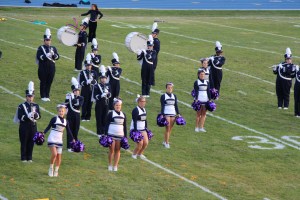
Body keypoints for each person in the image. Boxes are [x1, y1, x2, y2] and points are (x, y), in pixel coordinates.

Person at [43, 104, 75, 177]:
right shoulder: (54, 119)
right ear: (58, 112)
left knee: (59, 157)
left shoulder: (66, 121)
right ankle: (51, 168)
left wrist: (73, 139)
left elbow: (69, 131)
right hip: (52, 138)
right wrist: (43, 133)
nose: (61, 112)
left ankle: (56, 170)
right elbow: (48, 127)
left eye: (62, 111)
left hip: (59, 139)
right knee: (54, 154)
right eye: (60, 111)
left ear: (65, 112)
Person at [16, 81, 41, 162]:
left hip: (33, 126)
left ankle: (29, 157)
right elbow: (20, 117)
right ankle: (23, 157)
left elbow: (39, 116)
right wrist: (28, 116)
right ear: (26, 97)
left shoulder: (36, 105)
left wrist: (36, 115)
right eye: (29, 96)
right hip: (24, 126)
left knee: (31, 142)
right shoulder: (21, 106)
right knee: (24, 142)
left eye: (31, 96)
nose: (30, 98)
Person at [36, 28, 59, 101]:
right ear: (44, 40)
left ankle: (47, 95)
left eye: (49, 40)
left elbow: (58, 56)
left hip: (51, 68)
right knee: (43, 81)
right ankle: (43, 96)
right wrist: (46, 55)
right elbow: (39, 57)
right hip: (43, 67)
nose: (48, 41)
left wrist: (54, 55)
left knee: (49, 81)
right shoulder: (41, 48)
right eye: (46, 40)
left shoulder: (53, 48)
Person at [104, 98, 127, 172]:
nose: (118, 106)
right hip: (111, 135)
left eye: (119, 105)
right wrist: (106, 135)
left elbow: (125, 126)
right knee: (111, 150)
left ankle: (115, 165)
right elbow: (106, 124)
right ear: (114, 106)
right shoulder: (111, 113)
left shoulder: (123, 115)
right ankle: (110, 164)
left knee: (118, 150)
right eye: (117, 105)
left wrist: (125, 137)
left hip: (120, 136)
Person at [65, 77, 84, 152]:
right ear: (73, 91)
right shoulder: (69, 96)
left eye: (78, 91)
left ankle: (75, 145)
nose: (77, 92)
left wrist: (72, 99)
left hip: (77, 115)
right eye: (75, 91)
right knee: (69, 130)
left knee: (76, 130)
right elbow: (66, 104)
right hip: (70, 114)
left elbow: (78, 104)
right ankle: (69, 146)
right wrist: (68, 99)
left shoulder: (81, 98)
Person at [160, 82, 180, 148]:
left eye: (171, 88)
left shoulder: (174, 96)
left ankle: (165, 140)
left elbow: (176, 105)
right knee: (167, 128)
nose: (170, 89)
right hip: (166, 113)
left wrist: (178, 113)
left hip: (173, 113)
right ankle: (166, 143)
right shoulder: (163, 96)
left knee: (170, 128)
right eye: (168, 88)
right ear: (166, 88)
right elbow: (162, 106)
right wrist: (162, 114)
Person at [78, 54, 97, 121]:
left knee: (90, 103)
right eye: (88, 66)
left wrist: (93, 81)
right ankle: (83, 116)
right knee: (84, 103)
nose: (89, 67)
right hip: (85, 89)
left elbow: (96, 81)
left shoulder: (94, 72)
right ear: (86, 66)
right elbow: (81, 82)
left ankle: (88, 117)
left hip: (92, 90)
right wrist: (87, 82)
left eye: (90, 65)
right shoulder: (82, 73)